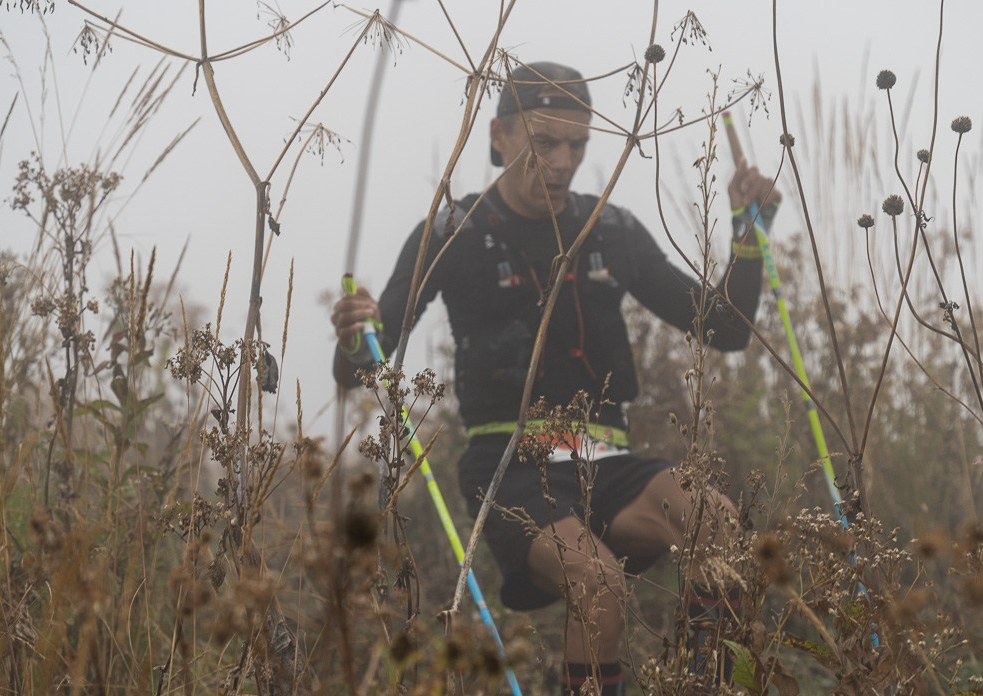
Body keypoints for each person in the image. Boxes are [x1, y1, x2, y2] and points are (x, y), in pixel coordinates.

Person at [331, 62, 780, 694]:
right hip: (509, 461)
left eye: (578, 145)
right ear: (500, 137)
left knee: (720, 527)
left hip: (608, 455)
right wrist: (356, 333)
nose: (563, 161)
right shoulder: (452, 230)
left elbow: (724, 329)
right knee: (597, 584)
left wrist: (748, 235)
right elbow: (365, 364)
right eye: (545, 143)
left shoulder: (611, 228)